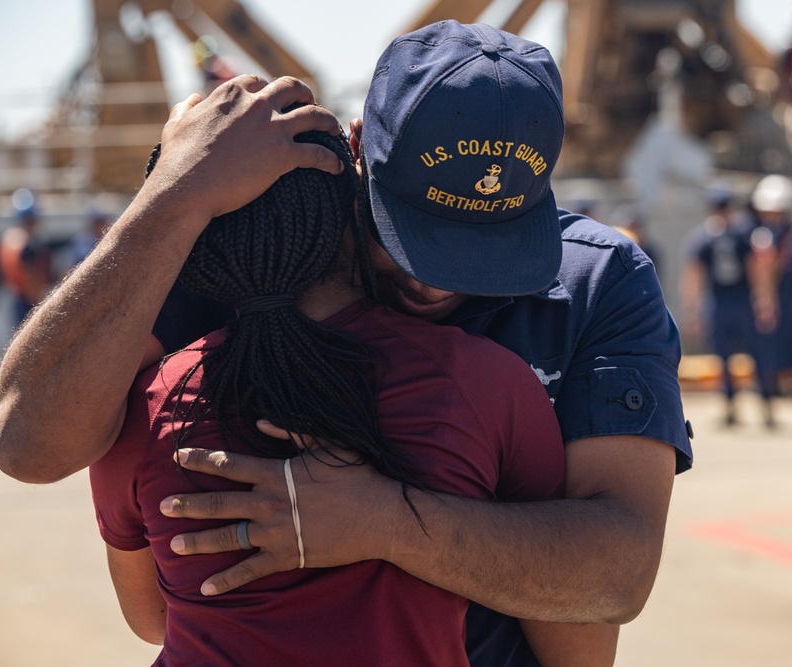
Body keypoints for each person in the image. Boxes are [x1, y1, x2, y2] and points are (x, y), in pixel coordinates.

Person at [0, 22, 691, 666]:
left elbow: (615, 576)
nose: (432, 281)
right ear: (358, 145)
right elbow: (28, 443)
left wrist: (386, 521)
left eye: (481, 249)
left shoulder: (599, 281)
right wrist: (172, 197)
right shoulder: (249, 249)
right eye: (409, 234)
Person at [91, 132, 586, 665]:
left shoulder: (148, 404)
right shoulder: (490, 385)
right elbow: (564, 606)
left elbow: (151, 619)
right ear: (352, 212)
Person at [680, 182, 755, 425]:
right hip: (720, 301)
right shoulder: (706, 238)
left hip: (740, 299)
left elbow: (756, 267)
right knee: (723, 356)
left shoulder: (741, 234)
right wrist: (692, 311)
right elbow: (694, 275)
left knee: (753, 352)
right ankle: (730, 403)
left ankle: (763, 400)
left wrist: (763, 298)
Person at [747, 174, 792, 425]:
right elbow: (763, 270)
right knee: (768, 355)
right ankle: (768, 400)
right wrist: (766, 302)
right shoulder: (764, 236)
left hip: (791, 300)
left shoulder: (791, 233)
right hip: (775, 302)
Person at [0, 196, 53, 327]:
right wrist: (41, 300)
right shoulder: (28, 244)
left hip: (17, 299)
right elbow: (30, 274)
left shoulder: (11, 239)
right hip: (29, 302)